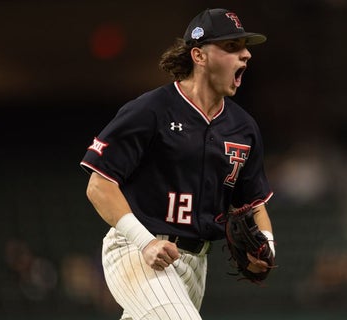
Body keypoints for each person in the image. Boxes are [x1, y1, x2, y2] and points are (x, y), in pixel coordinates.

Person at [80, 8, 275, 320]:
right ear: (199, 55)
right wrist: (144, 242)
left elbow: (253, 202)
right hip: (138, 250)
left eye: (245, 47)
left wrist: (267, 246)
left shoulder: (243, 127)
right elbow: (99, 185)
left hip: (196, 264)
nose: (246, 54)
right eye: (231, 47)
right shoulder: (151, 110)